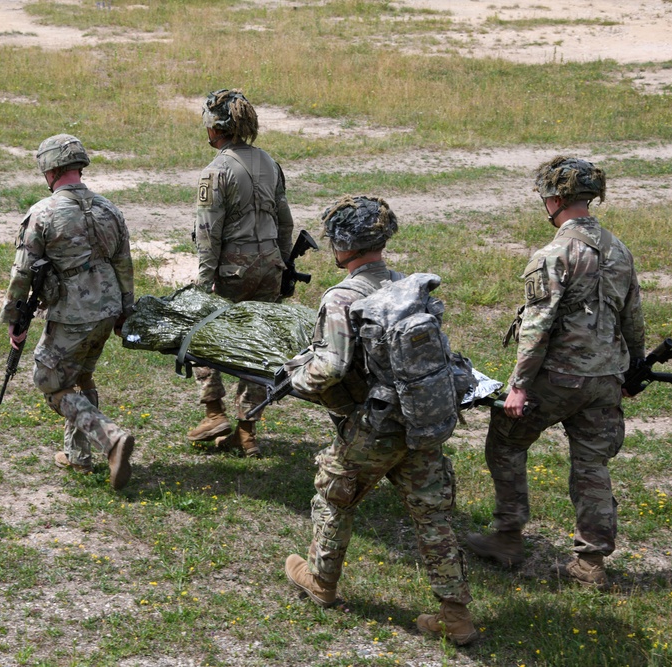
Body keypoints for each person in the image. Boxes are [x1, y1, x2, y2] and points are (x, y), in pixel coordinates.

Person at [283, 195, 477, 646]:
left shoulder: (343, 297)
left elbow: (330, 367)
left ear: (344, 245)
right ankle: (456, 615)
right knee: (432, 516)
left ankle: (320, 581)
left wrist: (295, 377)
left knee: (335, 494)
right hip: (419, 421)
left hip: (375, 427)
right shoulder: (406, 286)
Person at [466, 156, 645, 588]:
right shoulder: (619, 249)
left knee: (506, 442)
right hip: (604, 381)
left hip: (558, 379)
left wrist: (519, 387)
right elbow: (633, 320)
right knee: (592, 466)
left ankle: (507, 536)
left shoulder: (554, 254)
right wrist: (630, 373)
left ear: (556, 198)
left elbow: (537, 326)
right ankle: (591, 563)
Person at [0, 134, 136, 490]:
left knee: (49, 382)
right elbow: (124, 263)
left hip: (73, 313)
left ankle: (109, 439)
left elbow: (22, 273)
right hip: (107, 310)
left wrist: (16, 321)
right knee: (80, 377)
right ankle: (78, 457)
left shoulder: (42, 213)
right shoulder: (110, 209)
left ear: (51, 169)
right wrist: (125, 309)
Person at [186, 88, 295, 457]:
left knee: (201, 333)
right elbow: (285, 222)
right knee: (259, 346)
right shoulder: (270, 162)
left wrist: (203, 284)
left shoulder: (215, 172)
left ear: (216, 127)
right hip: (270, 267)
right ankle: (246, 431)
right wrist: (283, 265)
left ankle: (214, 411)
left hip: (234, 270)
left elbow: (207, 234)